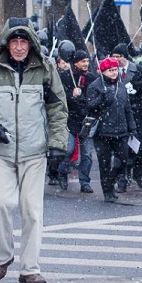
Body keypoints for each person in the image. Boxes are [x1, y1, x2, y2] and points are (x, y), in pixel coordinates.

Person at [0, 18, 69, 283]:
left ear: (31, 43)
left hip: (35, 151)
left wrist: (58, 142)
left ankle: (29, 268)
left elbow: (57, 108)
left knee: (32, 211)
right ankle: (2, 257)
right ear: (7, 43)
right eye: (15, 41)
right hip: (1, 150)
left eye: (24, 41)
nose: (20, 47)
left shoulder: (45, 68)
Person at [87, 57, 136, 203]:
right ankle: (107, 191)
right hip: (102, 132)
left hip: (121, 130)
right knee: (104, 163)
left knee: (123, 161)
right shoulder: (95, 86)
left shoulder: (121, 86)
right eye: (110, 70)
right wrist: (102, 99)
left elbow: (127, 108)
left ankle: (110, 182)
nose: (114, 73)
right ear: (103, 71)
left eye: (115, 70)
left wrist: (132, 127)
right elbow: (89, 106)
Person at [112, 43, 142, 191]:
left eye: (119, 56)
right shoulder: (112, 71)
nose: (116, 59)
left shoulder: (138, 70)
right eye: (114, 56)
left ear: (125, 56)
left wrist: (137, 88)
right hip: (120, 116)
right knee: (122, 150)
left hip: (138, 115)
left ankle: (138, 174)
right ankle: (123, 177)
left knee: (141, 148)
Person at [58, 51, 98, 193]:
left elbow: (94, 98)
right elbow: (60, 97)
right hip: (70, 120)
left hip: (86, 121)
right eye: (83, 61)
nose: (86, 64)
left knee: (87, 154)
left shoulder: (92, 78)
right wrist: (72, 96)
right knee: (68, 151)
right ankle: (62, 172)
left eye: (87, 61)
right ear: (75, 63)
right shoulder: (65, 77)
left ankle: (85, 181)